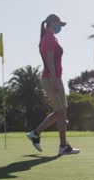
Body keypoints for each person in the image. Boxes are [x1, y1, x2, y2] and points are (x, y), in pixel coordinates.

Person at [26, 14, 80, 155]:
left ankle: (36, 133)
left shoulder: (51, 38)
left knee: (62, 110)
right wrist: (55, 80)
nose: (59, 28)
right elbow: (49, 61)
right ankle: (62, 146)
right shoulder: (49, 38)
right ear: (51, 23)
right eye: (58, 25)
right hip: (51, 78)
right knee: (61, 112)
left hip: (54, 77)